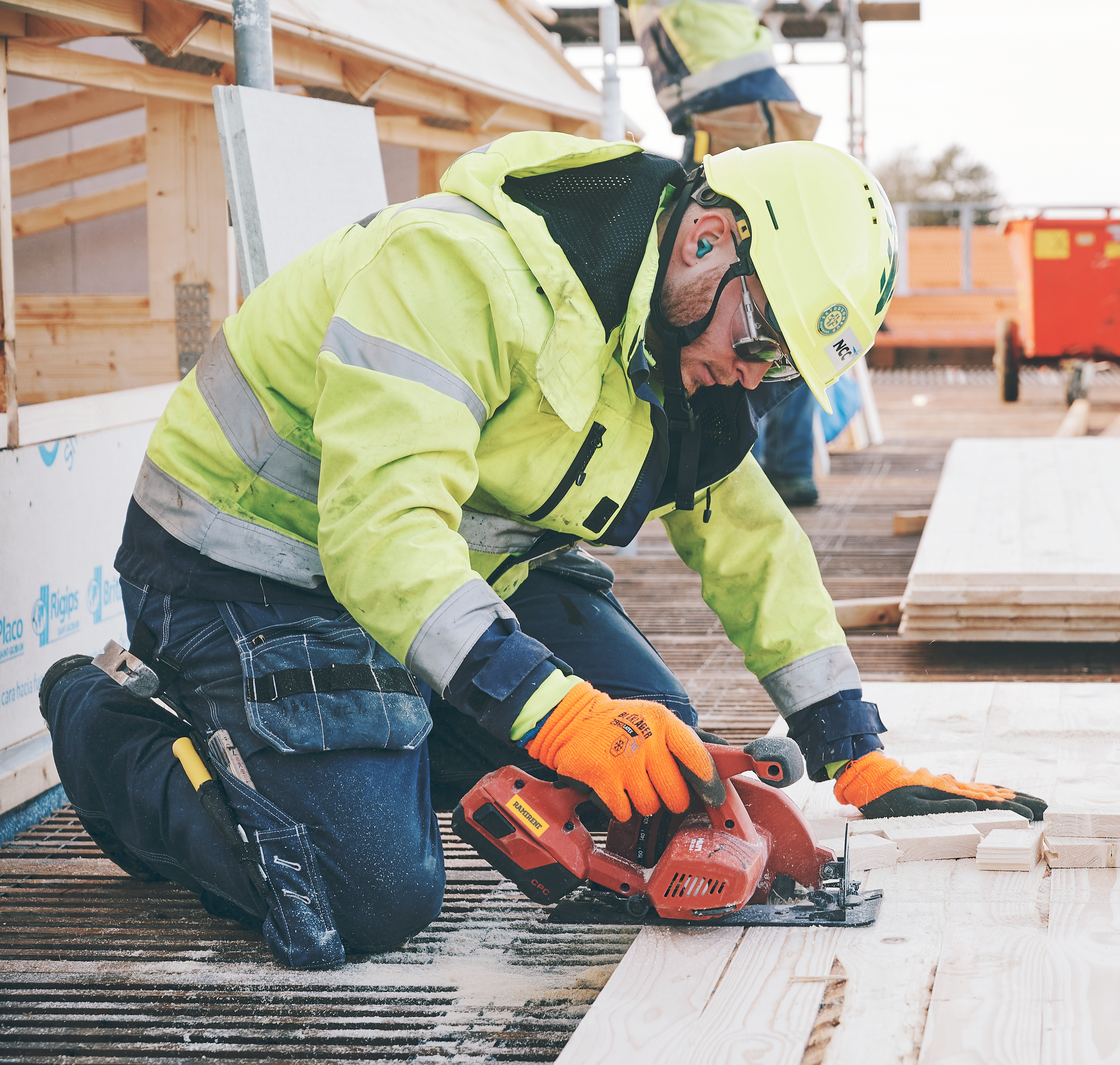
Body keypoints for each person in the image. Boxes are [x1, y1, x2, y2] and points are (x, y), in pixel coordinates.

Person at [38, 134, 1045, 970]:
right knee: (367, 891)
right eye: (758, 340)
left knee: (658, 753)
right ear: (706, 238)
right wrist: (559, 715)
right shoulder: (458, 269)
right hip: (243, 568)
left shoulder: (680, 344)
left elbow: (748, 538)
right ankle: (108, 725)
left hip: (435, 578)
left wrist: (851, 748)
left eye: (777, 367)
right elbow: (379, 537)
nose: (751, 376)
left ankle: (364, 734)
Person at [628, 0, 825, 506]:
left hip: (742, 110)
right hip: (740, 105)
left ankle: (750, 468)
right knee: (766, 314)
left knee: (757, 314)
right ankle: (777, 467)